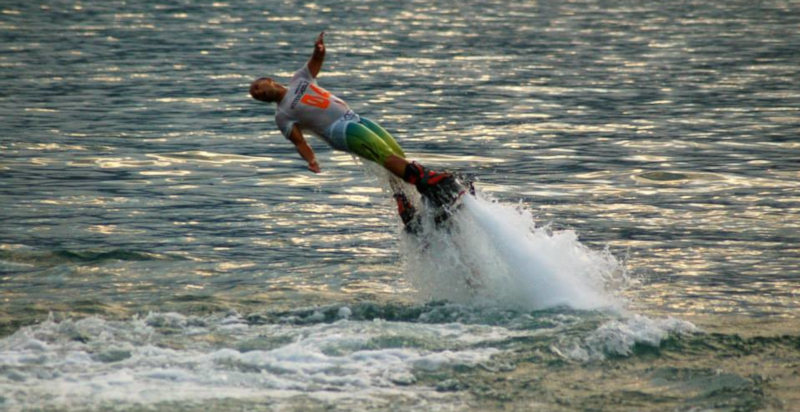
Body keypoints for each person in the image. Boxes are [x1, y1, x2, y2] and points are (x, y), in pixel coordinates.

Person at [249, 32, 464, 225]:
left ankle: (406, 207)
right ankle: (430, 184)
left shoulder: (299, 79)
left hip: (354, 118)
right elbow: (299, 142)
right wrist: (311, 160)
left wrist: (319, 50)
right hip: (339, 130)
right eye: (255, 95)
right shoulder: (282, 115)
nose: (257, 93)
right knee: (383, 155)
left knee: (396, 154)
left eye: (257, 87)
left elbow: (316, 62)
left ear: (269, 80)